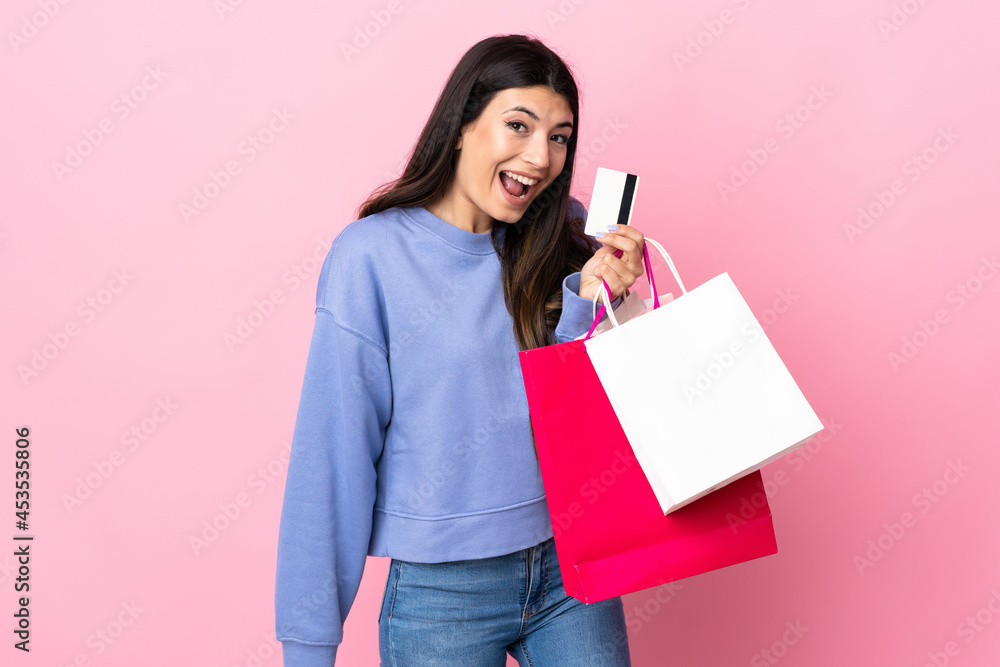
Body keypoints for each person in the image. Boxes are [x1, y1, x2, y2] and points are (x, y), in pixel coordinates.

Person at [275, 33, 648, 666]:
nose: (541, 156)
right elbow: (332, 455)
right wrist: (309, 648)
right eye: (519, 125)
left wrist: (594, 301)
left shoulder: (563, 238)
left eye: (559, 137)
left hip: (570, 568)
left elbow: (590, 423)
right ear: (460, 125)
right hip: (442, 594)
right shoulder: (370, 258)